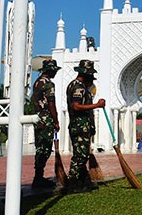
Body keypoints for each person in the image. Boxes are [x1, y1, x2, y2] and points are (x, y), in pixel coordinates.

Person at [67, 59, 106, 193]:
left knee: (81, 154)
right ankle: (71, 184)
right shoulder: (78, 87)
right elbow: (76, 106)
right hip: (80, 125)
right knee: (80, 156)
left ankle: (84, 182)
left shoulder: (76, 86)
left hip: (80, 125)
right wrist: (97, 105)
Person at [30, 58, 61, 188]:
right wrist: (56, 120)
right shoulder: (48, 84)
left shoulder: (37, 82)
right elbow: (51, 103)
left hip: (37, 119)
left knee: (40, 148)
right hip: (46, 119)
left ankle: (38, 176)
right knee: (45, 149)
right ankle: (38, 178)